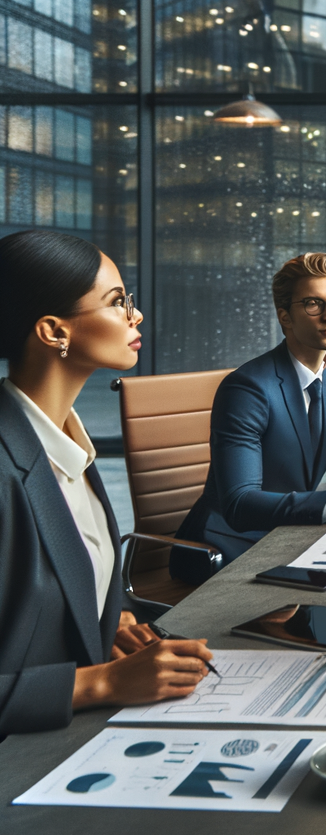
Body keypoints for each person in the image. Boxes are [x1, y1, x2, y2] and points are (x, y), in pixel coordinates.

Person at [0, 230, 214, 737]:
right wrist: (101, 683)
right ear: (55, 331)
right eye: (118, 302)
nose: (135, 316)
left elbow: (72, 576)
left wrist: (110, 619)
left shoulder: (64, 439)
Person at [172, 252, 326, 582]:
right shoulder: (247, 389)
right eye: (314, 304)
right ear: (286, 317)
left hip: (290, 538)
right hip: (222, 550)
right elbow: (239, 504)